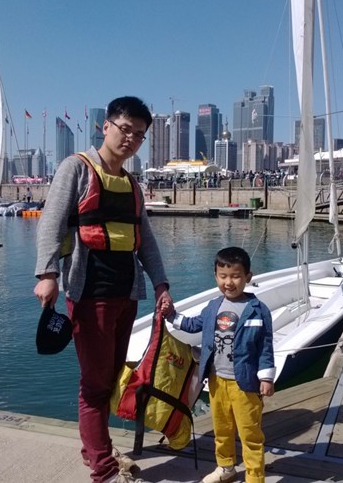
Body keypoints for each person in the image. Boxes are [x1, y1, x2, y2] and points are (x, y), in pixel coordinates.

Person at [34, 96, 173, 483]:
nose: (131, 139)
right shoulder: (76, 168)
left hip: (126, 295)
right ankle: (104, 469)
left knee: (109, 380)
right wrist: (47, 273)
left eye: (139, 135)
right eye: (125, 129)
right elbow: (51, 223)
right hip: (89, 293)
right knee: (95, 385)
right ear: (106, 127)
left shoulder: (132, 185)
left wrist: (161, 285)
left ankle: (93, 448)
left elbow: (146, 241)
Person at [160, 247, 275, 483]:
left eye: (235, 276)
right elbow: (193, 325)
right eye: (223, 276)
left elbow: (265, 346)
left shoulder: (258, 310)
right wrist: (171, 315)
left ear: (248, 277)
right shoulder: (213, 306)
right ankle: (226, 467)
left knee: (250, 433)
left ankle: (255, 477)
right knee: (222, 429)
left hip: (245, 384)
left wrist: (266, 377)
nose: (228, 282)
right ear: (215, 276)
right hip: (216, 380)